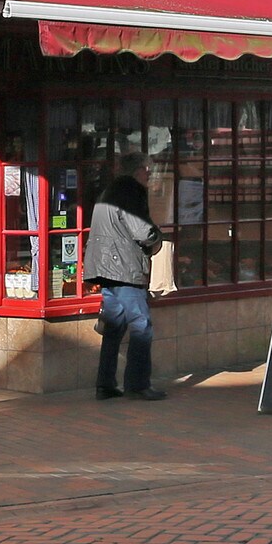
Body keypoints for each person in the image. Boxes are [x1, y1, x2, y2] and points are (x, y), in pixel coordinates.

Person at [85, 171, 165, 400]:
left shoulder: (108, 190)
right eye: (147, 171)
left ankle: (105, 384)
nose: (150, 176)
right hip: (124, 269)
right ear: (139, 171)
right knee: (141, 325)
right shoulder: (129, 193)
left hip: (106, 268)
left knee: (114, 327)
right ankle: (138, 385)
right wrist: (157, 235)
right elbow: (143, 231)